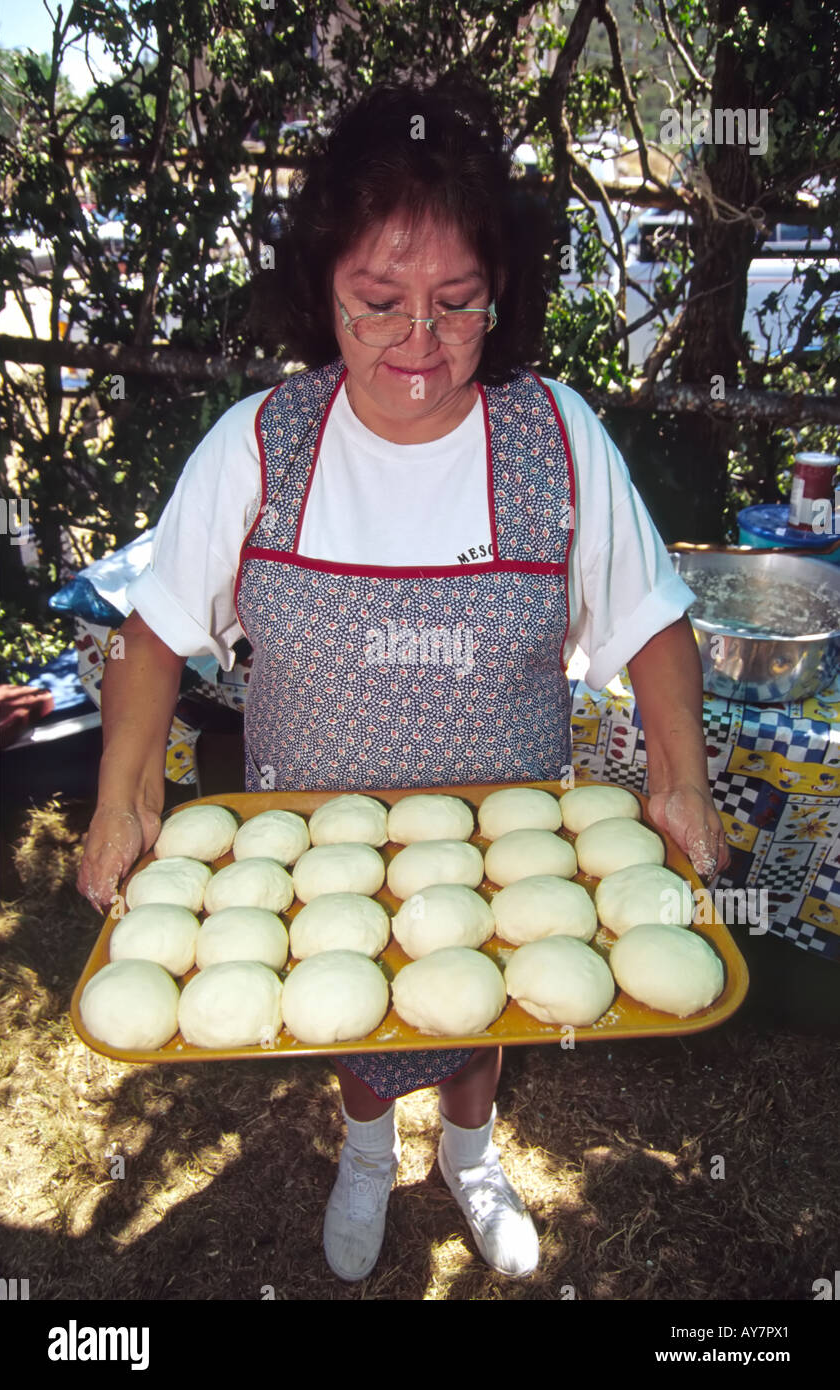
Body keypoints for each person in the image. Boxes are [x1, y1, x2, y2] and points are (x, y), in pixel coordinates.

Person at [78, 75, 730, 1284]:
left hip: (508, 830)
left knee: (482, 1000)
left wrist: (681, 780)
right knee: (353, 1004)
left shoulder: (553, 435)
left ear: (501, 297)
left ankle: (470, 1155)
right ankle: (368, 1151)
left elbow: (650, 620)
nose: (416, 344)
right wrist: (122, 795)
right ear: (323, 288)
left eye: (456, 304)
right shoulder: (261, 443)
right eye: (377, 303)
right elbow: (153, 631)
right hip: (312, 834)